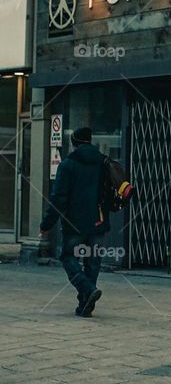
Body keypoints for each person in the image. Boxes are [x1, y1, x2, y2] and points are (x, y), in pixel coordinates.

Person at [40, 127, 111, 317]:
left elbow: (59, 199)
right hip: (99, 222)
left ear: (74, 143)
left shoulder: (68, 164)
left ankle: (87, 289)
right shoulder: (103, 162)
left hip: (75, 224)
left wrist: (46, 225)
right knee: (93, 263)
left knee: (68, 257)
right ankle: (85, 305)